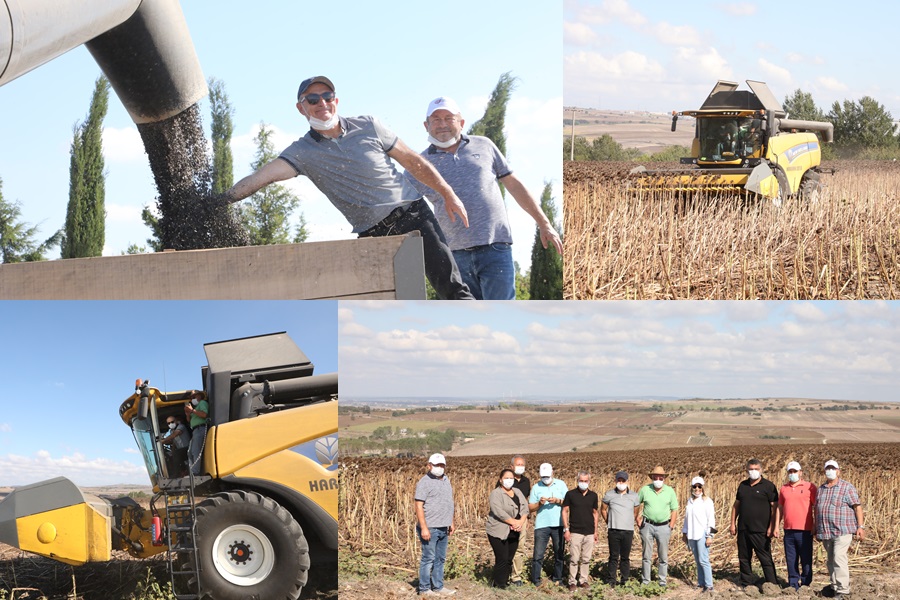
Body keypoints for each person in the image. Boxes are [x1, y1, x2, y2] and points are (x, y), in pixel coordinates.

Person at [223, 76, 474, 300]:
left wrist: (448, 193)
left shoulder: (368, 125)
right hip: (372, 234)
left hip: (414, 216)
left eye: (327, 96)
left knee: (452, 289)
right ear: (301, 108)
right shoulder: (301, 152)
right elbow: (261, 177)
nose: (321, 103)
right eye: (312, 99)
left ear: (336, 100)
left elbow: (412, 160)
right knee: (383, 303)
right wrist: (219, 201)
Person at [407, 96, 562, 299]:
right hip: (454, 256)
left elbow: (514, 185)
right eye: (435, 119)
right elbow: (404, 206)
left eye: (448, 118)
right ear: (426, 125)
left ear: (461, 123)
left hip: (495, 248)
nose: (442, 124)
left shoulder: (484, 146)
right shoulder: (419, 166)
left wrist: (544, 223)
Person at [815, 460, 865, 599]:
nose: (830, 471)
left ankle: (843, 590)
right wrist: (815, 527)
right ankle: (834, 587)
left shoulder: (847, 488)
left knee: (838, 557)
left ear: (838, 471)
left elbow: (857, 507)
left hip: (842, 530)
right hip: (826, 531)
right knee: (830, 560)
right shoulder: (821, 489)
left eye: (833, 468)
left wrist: (860, 527)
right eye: (828, 468)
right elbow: (817, 509)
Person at [729, 458, 778, 588]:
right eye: (751, 469)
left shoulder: (768, 486)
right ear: (747, 470)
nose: (753, 472)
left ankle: (772, 584)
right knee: (744, 558)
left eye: (756, 469)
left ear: (761, 470)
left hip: (761, 530)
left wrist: (772, 527)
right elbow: (736, 506)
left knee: (765, 558)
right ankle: (747, 583)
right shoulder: (743, 486)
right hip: (744, 528)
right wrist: (733, 523)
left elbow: (775, 508)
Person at [414, 453, 456, 596]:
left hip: (443, 526)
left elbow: (448, 502)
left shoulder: (446, 480)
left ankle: (438, 586)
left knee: (440, 558)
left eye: (442, 465)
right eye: (436, 465)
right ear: (429, 466)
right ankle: (425, 589)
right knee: (428, 558)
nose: (439, 468)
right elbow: (419, 505)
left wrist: (450, 521)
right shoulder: (424, 482)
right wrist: (424, 527)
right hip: (430, 527)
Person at [775, 461, 817, 590]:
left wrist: (815, 524)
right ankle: (793, 583)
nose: (792, 474)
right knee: (791, 558)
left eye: (795, 471)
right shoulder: (784, 489)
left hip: (805, 530)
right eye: (790, 472)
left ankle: (805, 583)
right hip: (788, 530)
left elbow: (816, 507)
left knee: (806, 558)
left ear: (800, 473)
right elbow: (779, 508)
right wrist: (776, 526)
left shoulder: (810, 487)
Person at [486, 468, 529, 589]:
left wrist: (521, 521)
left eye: (511, 478)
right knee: (502, 558)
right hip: (498, 530)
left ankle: (504, 580)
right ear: (500, 480)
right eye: (506, 478)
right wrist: (513, 522)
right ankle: (499, 584)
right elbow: (498, 511)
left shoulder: (517, 491)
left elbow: (525, 507)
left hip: (514, 530)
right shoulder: (496, 493)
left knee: (510, 557)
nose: (509, 480)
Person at [637, 466, 678, 587]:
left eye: (661, 478)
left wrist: (671, 526)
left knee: (663, 556)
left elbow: (674, 510)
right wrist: (637, 519)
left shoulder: (670, 491)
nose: (658, 479)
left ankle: (662, 581)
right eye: (656, 477)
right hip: (647, 525)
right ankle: (646, 581)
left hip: (664, 526)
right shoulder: (645, 490)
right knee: (646, 555)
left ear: (664, 478)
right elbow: (636, 504)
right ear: (652, 478)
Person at [528, 462, 567, 587]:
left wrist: (557, 500)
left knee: (559, 553)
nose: (545, 479)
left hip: (559, 524)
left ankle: (558, 579)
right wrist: (539, 503)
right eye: (543, 477)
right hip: (542, 525)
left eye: (547, 476)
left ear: (552, 473)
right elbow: (530, 507)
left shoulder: (561, 485)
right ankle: (536, 580)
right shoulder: (536, 487)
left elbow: (568, 503)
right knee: (538, 555)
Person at [601, 470, 640, 586]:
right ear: (615, 481)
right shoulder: (609, 494)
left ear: (627, 481)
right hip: (613, 530)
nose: (621, 482)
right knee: (613, 556)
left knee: (625, 557)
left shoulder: (634, 496)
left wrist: (628, 521)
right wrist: (609, 521)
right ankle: (611, 580)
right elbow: (603, 509)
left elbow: (636, 511)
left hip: (628, 531)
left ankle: (624, 580)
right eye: (619, 480)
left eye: (623, 480)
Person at [562, 471, 599, 590]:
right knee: (574, 558)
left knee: (586, 559)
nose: (583, 483)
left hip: (589, 532)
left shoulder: (593, 495)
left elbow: (595, 513)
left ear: (589, 481)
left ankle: (583, 580)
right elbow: (565, 511)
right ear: (577, 481)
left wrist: (595, 531)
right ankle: (572, 581)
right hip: (575, 531)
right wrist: (566, 529)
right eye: (581, 481)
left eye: (585, 481)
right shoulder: (570, 494)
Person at [682, 473, 716, 593]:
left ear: (703, 488)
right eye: (695, 487)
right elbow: (687, 518)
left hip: (702, 534)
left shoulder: (707, 501)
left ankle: (709, 585)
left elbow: (711, 520)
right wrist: (684, 533)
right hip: (691, 533)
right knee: (697, 560)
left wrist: (710, 536)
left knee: (703, 559)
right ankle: (701, 583)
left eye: (699, 487)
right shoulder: (689, 501)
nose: (697, 489)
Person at [509, 455, 531, 586]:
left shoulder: (526, 482)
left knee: (520, 548)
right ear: (511, 467)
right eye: (518, 465)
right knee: (506, 547)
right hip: (508, 520)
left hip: (522, 519)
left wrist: (527, 519)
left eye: (522, 465)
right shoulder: (506, 480)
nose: (520, 467)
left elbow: (526, 502)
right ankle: (503, 574)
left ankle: (516, 577)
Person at [184, 391, 208, 476]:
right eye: (191, 398)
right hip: (195, 430)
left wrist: (192, 410)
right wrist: (188, 414)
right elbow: (189, 421)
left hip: (200, 428)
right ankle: (193, 471)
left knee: (196, 451)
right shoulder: (196, 407)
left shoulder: (202, 403)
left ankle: (195, 472)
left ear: (200, 396)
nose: (192, 399)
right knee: (190, 452)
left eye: (194, 397)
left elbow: (204, 415)